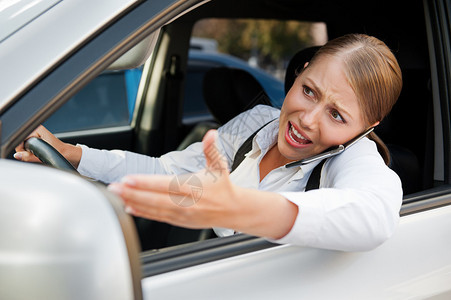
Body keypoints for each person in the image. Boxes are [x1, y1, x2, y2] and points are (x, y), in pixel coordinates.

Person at [15, 34, 403, 252]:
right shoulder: (258, 123)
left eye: (337, 115)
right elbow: (168, 173)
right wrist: (75, 155)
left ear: (367, 126)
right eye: (309, 91)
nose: (307, 119)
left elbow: (375, 214)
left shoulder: (353, 160)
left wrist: (244, 208)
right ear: (300, 73)